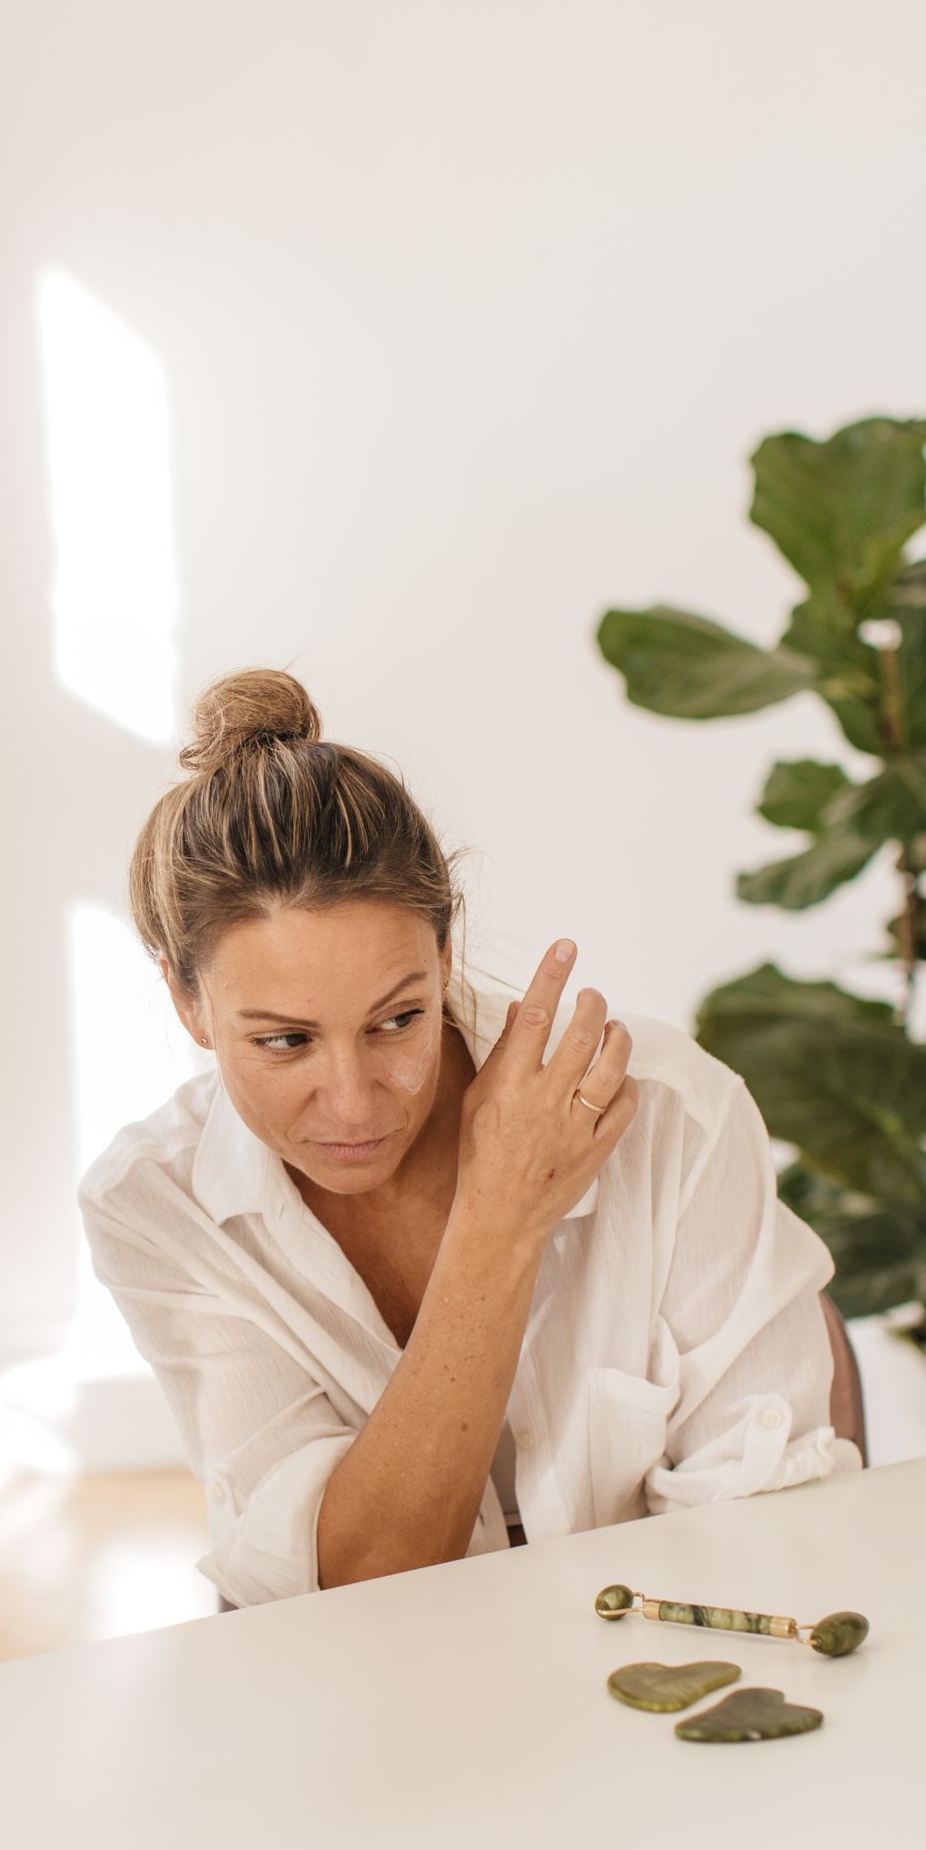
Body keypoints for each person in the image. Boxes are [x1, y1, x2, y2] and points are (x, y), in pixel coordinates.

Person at [80, 669, 856, 1608]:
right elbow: (351, 1580)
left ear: (445, 957)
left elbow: (770, 1537)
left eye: (396, 1020)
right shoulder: (157, 1205)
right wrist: (497, 1226)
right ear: (186, 1002)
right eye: (284, 1041)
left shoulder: (668, 1114)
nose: (355, 1103)